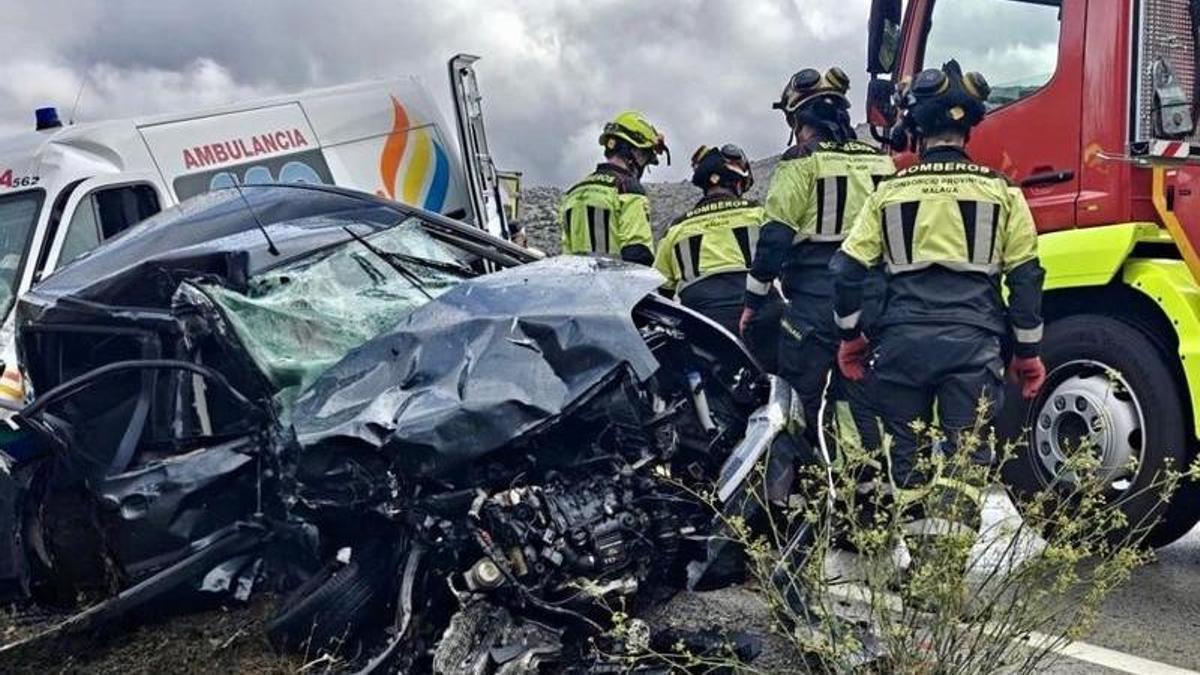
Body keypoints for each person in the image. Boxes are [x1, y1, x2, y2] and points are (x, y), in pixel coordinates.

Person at [831, 60, 1047, 489]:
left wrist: (851, 338)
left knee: (906, 463)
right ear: (970, 129)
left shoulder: (888, 192)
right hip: (974, 346)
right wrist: (1027, 353)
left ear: (916, 127)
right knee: (966, 464)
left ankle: (918, 549)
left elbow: (845, 271)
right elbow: (1025, 278)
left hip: (900, 346)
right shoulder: (1003, 192)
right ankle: (949, 553)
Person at [739, 67, 895, 452]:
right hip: (875, 299)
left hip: (814, 302)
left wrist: (753, 302)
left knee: (798, 398)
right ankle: (866, 486)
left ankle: (799, 488)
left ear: (798, 119)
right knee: (862, 397)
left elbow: (775, 238)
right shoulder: (881, 162)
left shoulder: (801, 161)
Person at [654, 144, 762, 334]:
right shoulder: (759, 214)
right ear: (737, 184)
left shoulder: (676, 229)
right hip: (757, 321)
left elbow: (660, 290)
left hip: (702, 330)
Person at [559, 111, 669, 265]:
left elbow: (566, 253)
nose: (644, 164)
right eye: (645, 156)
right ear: (634, 151)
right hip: (615, 286)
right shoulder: (628, 189)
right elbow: (637, 252)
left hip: (579, 285)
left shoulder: (573, 192)